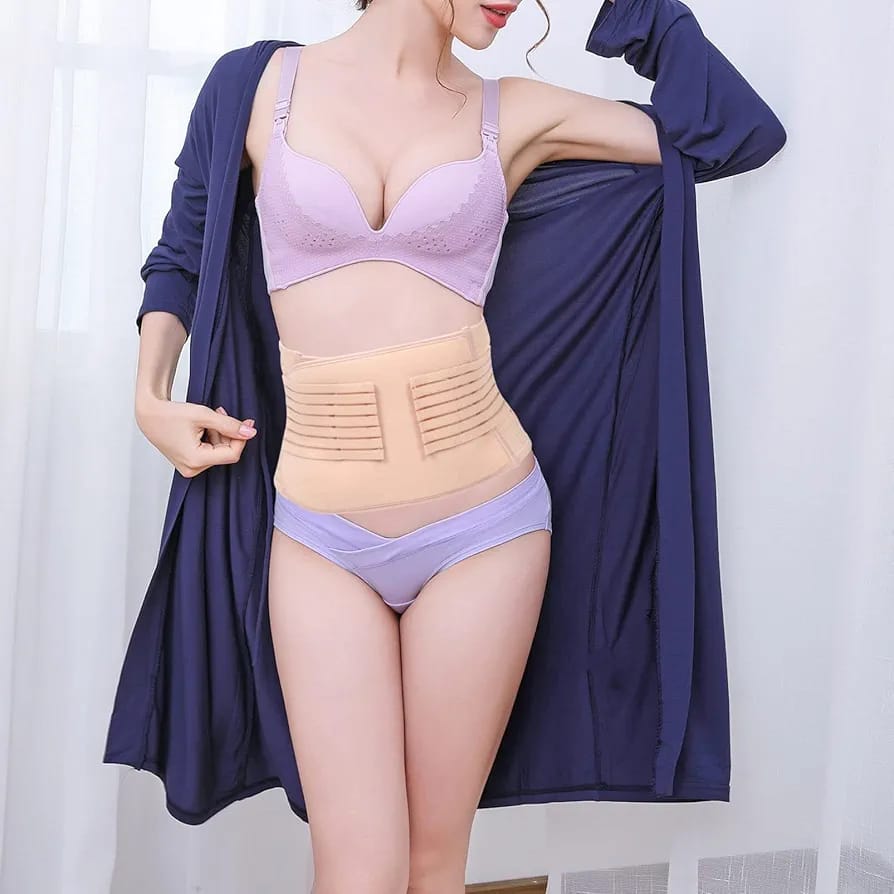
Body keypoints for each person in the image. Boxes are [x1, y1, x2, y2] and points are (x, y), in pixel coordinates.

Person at [108, 0, 786, 890]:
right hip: (320, 534)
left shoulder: (517, 113)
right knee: (358, 869)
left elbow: (736, 133)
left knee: (433, 865)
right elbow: (184, 247)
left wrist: (634, 11)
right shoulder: (257, 86)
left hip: (485, 530)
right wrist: (150, 395)